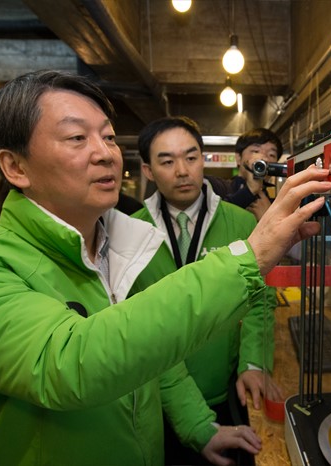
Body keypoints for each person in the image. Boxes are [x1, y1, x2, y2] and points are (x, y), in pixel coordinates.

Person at [0, 70, 331, 466]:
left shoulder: (123, 248)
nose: (105, 153)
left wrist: (198, 427)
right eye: (77, 137)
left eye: (109, 137)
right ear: (16, 167)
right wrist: (248, 258)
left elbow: (147, 353)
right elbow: (73, 363)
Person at [133, 116, 282, 465]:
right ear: (148, 171)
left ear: (203, 160)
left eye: (191, 157)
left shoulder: (241, 222)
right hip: (159, 398)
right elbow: (142, 334)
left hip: (227, 387)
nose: (182, 171)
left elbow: (260, 299)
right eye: (167, 162)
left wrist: (254, 361)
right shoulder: (131, 234)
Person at [207, 128, 282, 221]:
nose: (264, 159)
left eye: (271, 155)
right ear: (238, 158)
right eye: (256, 151)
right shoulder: (217, 188)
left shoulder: (277, 204)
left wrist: (270, 217)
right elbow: (213, 219)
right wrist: (249, 191)